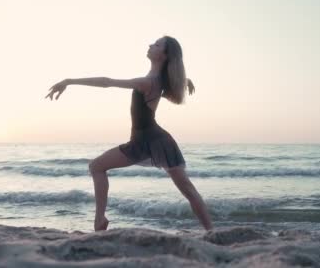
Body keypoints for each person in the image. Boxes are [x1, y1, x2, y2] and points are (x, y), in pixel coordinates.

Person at [45, 35, 213, 232]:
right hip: (150, 139)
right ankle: (210, 231)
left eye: (157, 45)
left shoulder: (148, 82)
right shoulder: (158, 80)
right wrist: (185, 80)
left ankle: (100, 221)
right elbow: (171, 80)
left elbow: (107, 82)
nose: (151, 45)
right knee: (188, 190)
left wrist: (69, 80)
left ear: (164, 55)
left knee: (96, 166)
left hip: (152, 140)